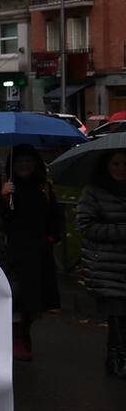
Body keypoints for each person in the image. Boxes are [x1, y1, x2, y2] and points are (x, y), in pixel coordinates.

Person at [0, 144, 61, 362]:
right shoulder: (3, 186)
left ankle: (24, 332)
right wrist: (3, 199)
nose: (24, 166)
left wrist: (52, 236)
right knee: (17, 296)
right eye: (20, 161)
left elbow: (55, 215)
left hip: (38, 252)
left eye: (28, 161)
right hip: (12, 251)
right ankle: (17, 337)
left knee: (35, 299)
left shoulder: (43, 187)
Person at [78, 148, 126, 378]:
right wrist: (120, 231)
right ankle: (117, 358)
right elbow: (86, 226)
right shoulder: (94, 192)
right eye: (116, 163)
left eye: (125, 164)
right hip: (106, 266)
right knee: (117, 314)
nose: (121, 169)